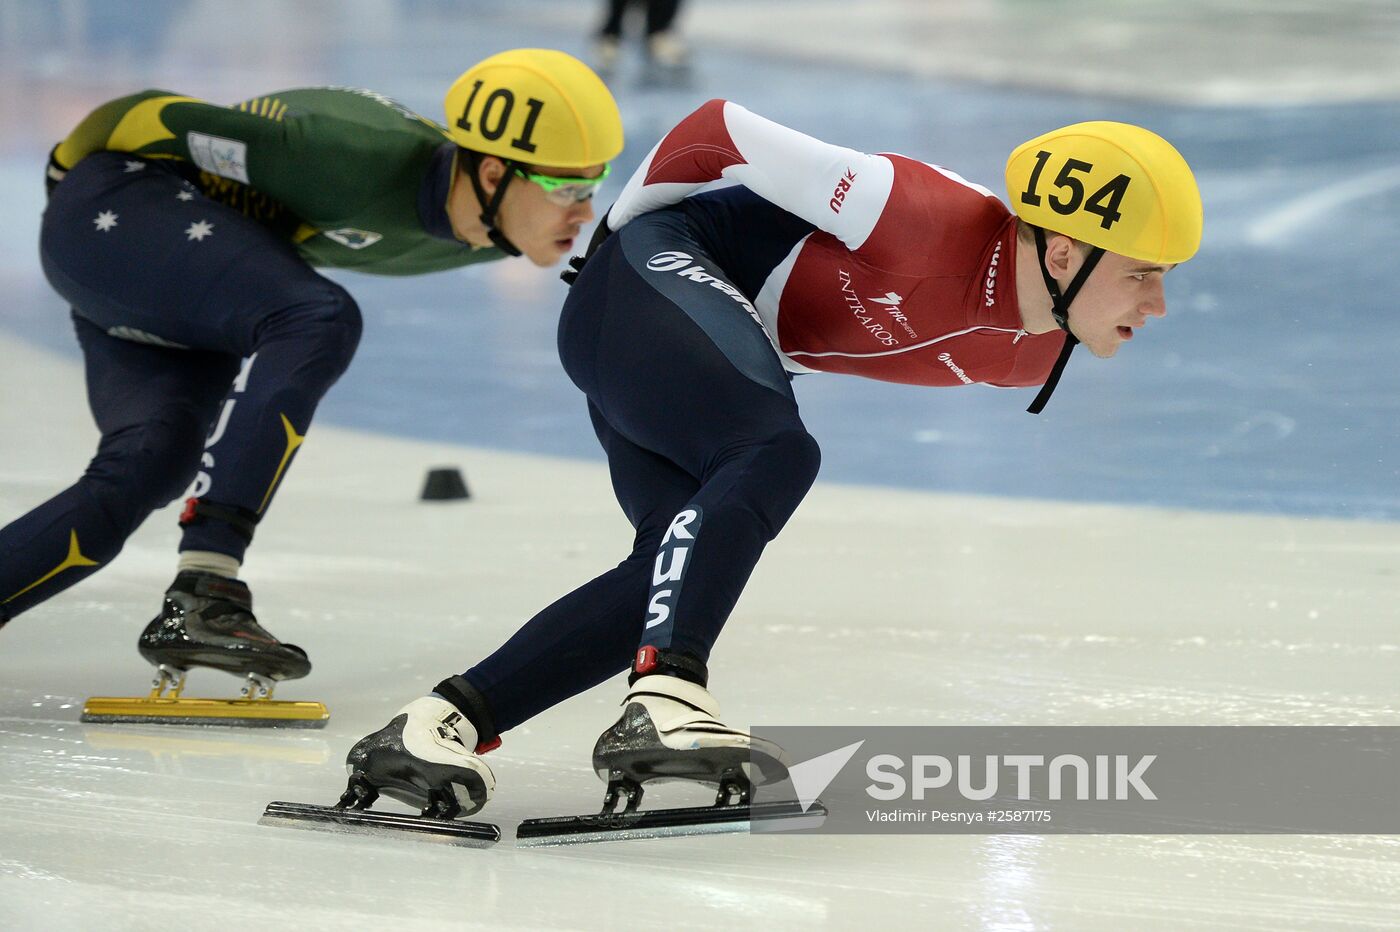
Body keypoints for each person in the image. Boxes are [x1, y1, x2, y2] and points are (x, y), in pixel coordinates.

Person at [345, 101, 1203, 818]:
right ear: (1062, 252)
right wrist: (617, 237)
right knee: (775, 450)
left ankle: (437, 724)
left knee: (670, 571)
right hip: (648, 280)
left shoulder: (1029, 353)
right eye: (1142, 275)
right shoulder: (915, 210)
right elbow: (718, 129)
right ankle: (669, 696)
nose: (1161, 305)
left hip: (652, 341)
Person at [0, 50, 623, 700]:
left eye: (594, 185)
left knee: (151, 462)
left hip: (179, 274)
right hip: (114, 208)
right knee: (318, 316)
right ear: (493, 171)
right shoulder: (348, 153)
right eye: (567, 189)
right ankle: (207, 586)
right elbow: (148, 114)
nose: (583, 211)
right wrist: (65, 173)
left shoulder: (486, 229)